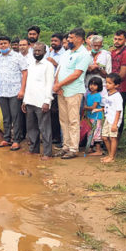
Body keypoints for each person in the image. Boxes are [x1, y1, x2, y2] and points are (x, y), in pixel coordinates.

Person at [53, 27, 91, 159]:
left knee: (73, 120)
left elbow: (76, 74)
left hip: (74, 91)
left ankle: (74, 149)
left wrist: (59, 84)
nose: (68, 40)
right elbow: (59, 70)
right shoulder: (67, 52)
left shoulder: (84, 54)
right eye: (68, 37)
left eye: (71, 37)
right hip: (62, 91)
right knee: (63, 120)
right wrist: (57, 85)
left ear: (79, 39)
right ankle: (66, 146)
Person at [21, 42, 55, 159]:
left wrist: (47, 101)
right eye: (35, 51)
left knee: (44, 129)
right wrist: (25, 100)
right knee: (32, 128)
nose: (36, 53)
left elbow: (50, 84)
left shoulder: (48, 65)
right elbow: (28, 84)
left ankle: (47, 153)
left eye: (39, 51)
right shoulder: (31, 65)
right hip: (30, 101)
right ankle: (33, 150)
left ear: (45, 52)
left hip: (42, 102)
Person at [110, 30, 126, 136]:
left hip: (121, 88)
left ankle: (117, 138)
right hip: (111, 87)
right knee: (110, 112)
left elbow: (122, 75)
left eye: (120, 39)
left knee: (118, 113)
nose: (117, 41)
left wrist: (111, 83)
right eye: (115, 39)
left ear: (125, 40)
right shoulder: (113, 52)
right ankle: (109, 136)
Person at [100, 73, 124, 163]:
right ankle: (110, 154)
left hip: (114, 120)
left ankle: (112, 157)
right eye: (106, 82)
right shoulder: (107, 94)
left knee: (113, 138)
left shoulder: (117, 96)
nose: (107, 84)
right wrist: (100, 110)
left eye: (109, 83)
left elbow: (118, 110)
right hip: (107, 118)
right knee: (105, 137)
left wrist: (115, 124)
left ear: (116, 85)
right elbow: (108, 106)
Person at [84, 77, 104, 156]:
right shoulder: (89, 95)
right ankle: (90, 148)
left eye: (95, 85)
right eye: (91, 84)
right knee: (90, 133)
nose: (92, 86)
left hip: (96, 117)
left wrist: (85, 107)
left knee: (96, 133)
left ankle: (98, 150)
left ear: (99, 86)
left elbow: (93, 107)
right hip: (90, 117)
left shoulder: (97, 95)